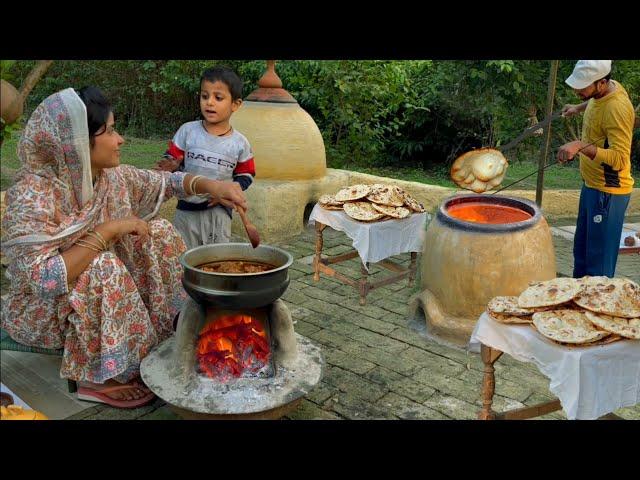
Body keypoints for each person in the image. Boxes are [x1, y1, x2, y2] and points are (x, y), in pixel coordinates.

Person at [0, 86, 247, 408]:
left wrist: (212, 185)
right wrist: (108, 230)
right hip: (45, 312)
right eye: (111, 131)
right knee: (103, 266)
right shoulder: (33, 195)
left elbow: (166, 182)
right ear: (75, 142)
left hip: (99, 298)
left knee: (157, 232)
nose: (121, 140)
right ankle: (96, 376)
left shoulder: (108, 178)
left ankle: (164, 335)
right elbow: (42, 280)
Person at [156, 66, 255, 248]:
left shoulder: (240, 143)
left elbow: (246, 175)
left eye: (218, 98)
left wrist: (233, 188)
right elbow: (172, 159)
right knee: (183, 258)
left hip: (218, 212)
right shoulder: (188, 131)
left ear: (236, 104)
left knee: (215, 261)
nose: (209, 102)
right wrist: (171, 164)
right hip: (185, 212)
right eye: (204, 96)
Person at [557, 60, 635, 278]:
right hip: (591, 186)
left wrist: (579, 146)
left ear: (601, 83)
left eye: (582, 88)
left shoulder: (617, 109)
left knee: (597, 269)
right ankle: (573, 307)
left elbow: (619, 159)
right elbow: (597, 103)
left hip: (608, 193)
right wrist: (577, 108)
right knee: (581, 256)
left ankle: (596, 310)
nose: (577, 91)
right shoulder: (607, 89)